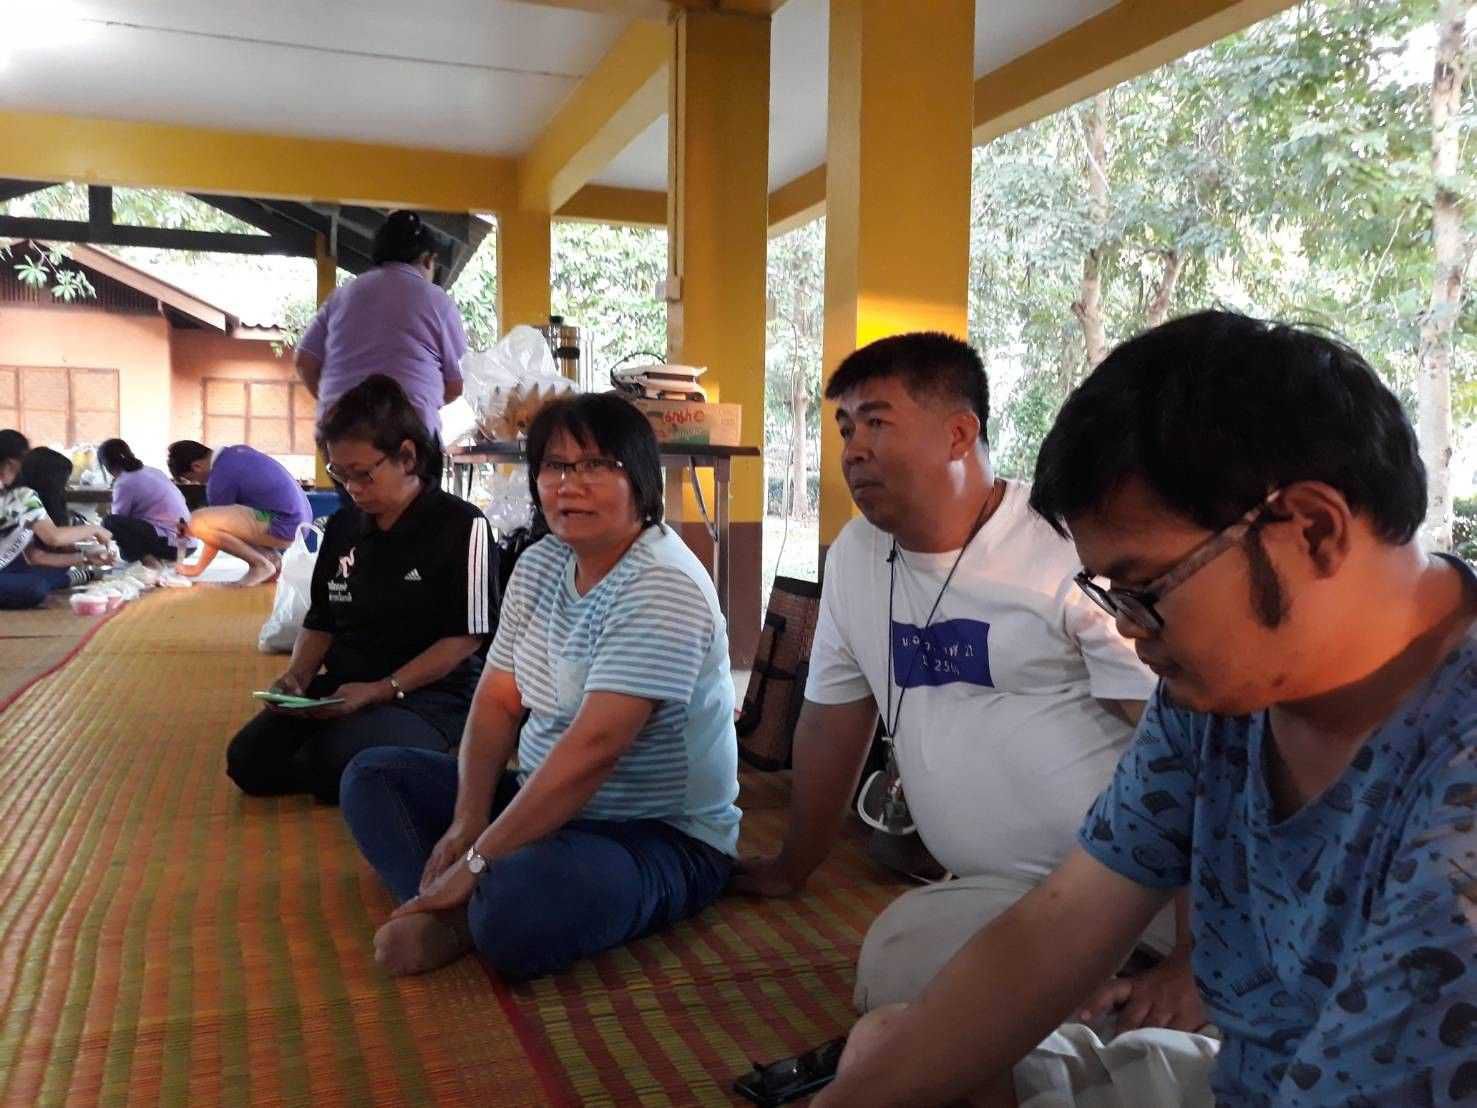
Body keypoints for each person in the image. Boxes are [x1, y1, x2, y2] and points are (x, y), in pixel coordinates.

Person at [816, 310, 1477, 1108]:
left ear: (1310, 529)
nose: (1129, 629)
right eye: (1111, 594)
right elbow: (1062, 921)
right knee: (888, 1050)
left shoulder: (1453, 772)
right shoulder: (1221, 697)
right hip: (1242, 1079)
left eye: (1144, 588)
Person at [732, 332, 1186, 1022]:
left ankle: (1152, 992)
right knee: (894, 963)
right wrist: (792, 865)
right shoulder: (856, 556)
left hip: (1131, 887)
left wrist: (1193, 954)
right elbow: (830, 721)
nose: (852, 450)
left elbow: (1184, 750)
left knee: (946, 1014)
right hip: (1001, 892)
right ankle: (1094, 1009)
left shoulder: (1068, 546)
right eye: (845, 428)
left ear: (958, 434)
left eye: (877, 422)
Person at [339, 392, 739, 982]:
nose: (570, 485)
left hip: (653, 834)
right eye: (555, 466)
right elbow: (498, 700)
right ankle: (449, 905)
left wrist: (477, 860)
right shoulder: (542, 563)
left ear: (641, 481)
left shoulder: (662, 583)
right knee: (372, 777)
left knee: (519, 902)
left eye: (596, 465)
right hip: (540, 799)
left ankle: (459, 910)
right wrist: (468, 821)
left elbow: (594, 750)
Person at [224, 375, 493, 805]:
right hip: (345, 688)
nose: (351, 488)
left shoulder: (462, 526)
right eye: (341, 474)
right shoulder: (345, 526)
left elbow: (465, 638)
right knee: (247, 762)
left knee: (333, 762)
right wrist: (297, 679)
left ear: (407, 457)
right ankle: (368, 759)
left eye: (363, 474)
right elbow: (321, 620)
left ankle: (427, 753)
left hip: (431, 695)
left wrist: (382, 689)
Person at [294, 209, 468, 468]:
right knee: (418, 492)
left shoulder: (341, 296)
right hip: (408, 444)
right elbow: (456, 384)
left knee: (355, 491)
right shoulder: (437, 301)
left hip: (341, 446)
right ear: (428, 259)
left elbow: (304, 362)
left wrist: (344, 409)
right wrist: (413, 404)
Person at [167, 440, 311, 587]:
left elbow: (215, 530)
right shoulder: (236, 453)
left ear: (196, 466)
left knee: (198, 522)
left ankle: (260, 565)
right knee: (217, 521)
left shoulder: (220, 477)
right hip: (298, 522)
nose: (198, 483)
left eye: (192, 479)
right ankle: (271, 560)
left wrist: (198, 567)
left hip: (285, 523)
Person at [0, 429, 112, 609]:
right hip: (10, 571)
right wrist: (95, 529)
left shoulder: (16, 497)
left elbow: (35, 556)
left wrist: (85, 557)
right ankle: (71, 578)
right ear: (10, 464)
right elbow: (53, 537)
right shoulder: (21, 497)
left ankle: (76, 576)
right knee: (35, 586)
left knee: (45, 576)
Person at [98, 438, 193, 567]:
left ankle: (151, 564)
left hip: (172, 543)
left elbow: (117, 521)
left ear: (107, 465)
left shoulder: (124, 482)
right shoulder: (153, 471)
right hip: (189, 542)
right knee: (129, 529)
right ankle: (164, 563)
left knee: (110, 522)